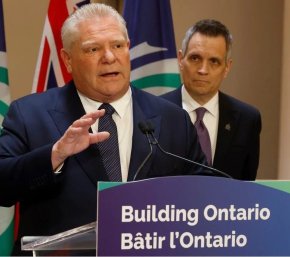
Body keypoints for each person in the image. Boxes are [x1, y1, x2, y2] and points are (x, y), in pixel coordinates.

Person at [0, 3, 207, 255]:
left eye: (118, 45)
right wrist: (55, 155)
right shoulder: (30, 114)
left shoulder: (173, 119)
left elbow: (204, 193)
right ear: (67, 60)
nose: (109, 57)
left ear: (128, 48)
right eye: (93, 49)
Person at [162, 19, 261, 180]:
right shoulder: (152, 113)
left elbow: (247, 187)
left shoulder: (247, 119)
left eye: (214, 61)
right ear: (180, 59)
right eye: (195, 58)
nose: (203, 70)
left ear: (227, 67)